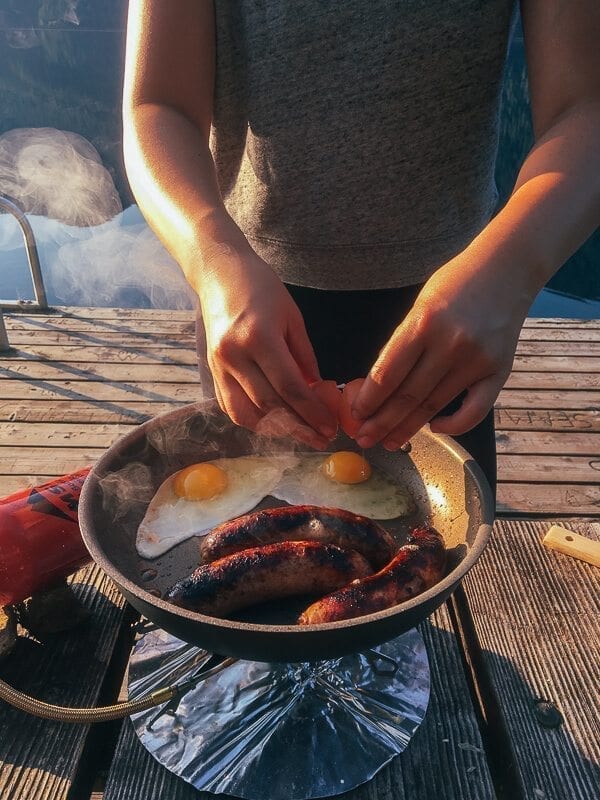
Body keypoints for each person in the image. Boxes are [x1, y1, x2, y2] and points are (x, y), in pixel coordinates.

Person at [122, 1, 600, 497]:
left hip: (461, 314)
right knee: (242, 533)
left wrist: (510, 271)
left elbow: (585, 106)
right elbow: (158, 104)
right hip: (248, 305)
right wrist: (211, 256)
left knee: (441, 544)